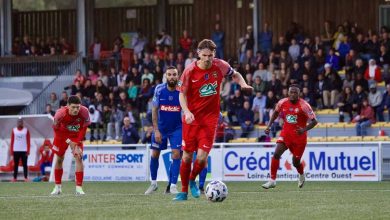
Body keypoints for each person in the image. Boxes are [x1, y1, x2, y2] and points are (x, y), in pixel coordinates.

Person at [174, 39, 253, 201]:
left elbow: (235, 74)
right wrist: (187, 111)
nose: (208, 58)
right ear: (198, 54)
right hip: (191, 119)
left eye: (210, 55)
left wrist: (243, 84)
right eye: (204, 55)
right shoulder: (189, 72)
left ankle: (191, 181)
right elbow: (181, 94)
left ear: (214, 54)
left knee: (202, 158)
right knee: (187, 157)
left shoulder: (221, 65)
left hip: (210, 119)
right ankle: (183, 192)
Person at [262, 85, 318, 189]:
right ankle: (272, 180)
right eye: (291, 92)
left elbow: (314, 122)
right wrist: (269, 126)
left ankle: (301, 175)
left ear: (299, 94)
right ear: (288, 93)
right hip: (286, 134)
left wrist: (303, 129)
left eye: (295, 92)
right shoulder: (282, 102)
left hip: (299, 138)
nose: (292, 94)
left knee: (295, 162)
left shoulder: (304, 105)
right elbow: (275, 113)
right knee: (276, 154)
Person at [144, 66, 182, 195]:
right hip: (161, 128)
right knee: (155, 154)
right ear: (166, 76)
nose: (172, 77)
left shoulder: (183, 88)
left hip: (177, 128)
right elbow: (154, 110)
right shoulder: (159, 89)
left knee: (176, 154)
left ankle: (172, 185)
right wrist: (156, 130)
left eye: (174, 74)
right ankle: (153, 184)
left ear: (178, 76)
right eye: (169, 75)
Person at [50, 95, 90, 195]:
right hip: (62, 135)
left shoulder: (84, 112)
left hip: (76, 136)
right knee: (59, 159)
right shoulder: (60, 114)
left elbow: (83, 129)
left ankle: (79, 188)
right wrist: (69, 142)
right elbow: (56, 130)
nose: (76, 109)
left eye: (78, 107)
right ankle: (57, 187)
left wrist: (77, 143)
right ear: (68, 106)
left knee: (79, 158)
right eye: (73, 107)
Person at [10, 117, 31, 182]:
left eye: (21, 121)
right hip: (16, 150)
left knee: (25, 164)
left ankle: (25, 177)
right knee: (15, 164)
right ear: (17, 122)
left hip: (24, 150)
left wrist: (28, 150)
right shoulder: (14, 130)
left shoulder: (26, 130)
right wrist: (11, 151)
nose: (20, 123)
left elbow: (28, 141)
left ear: (22, 122)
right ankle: (14, 178)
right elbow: (12, 141)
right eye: (19, 121)